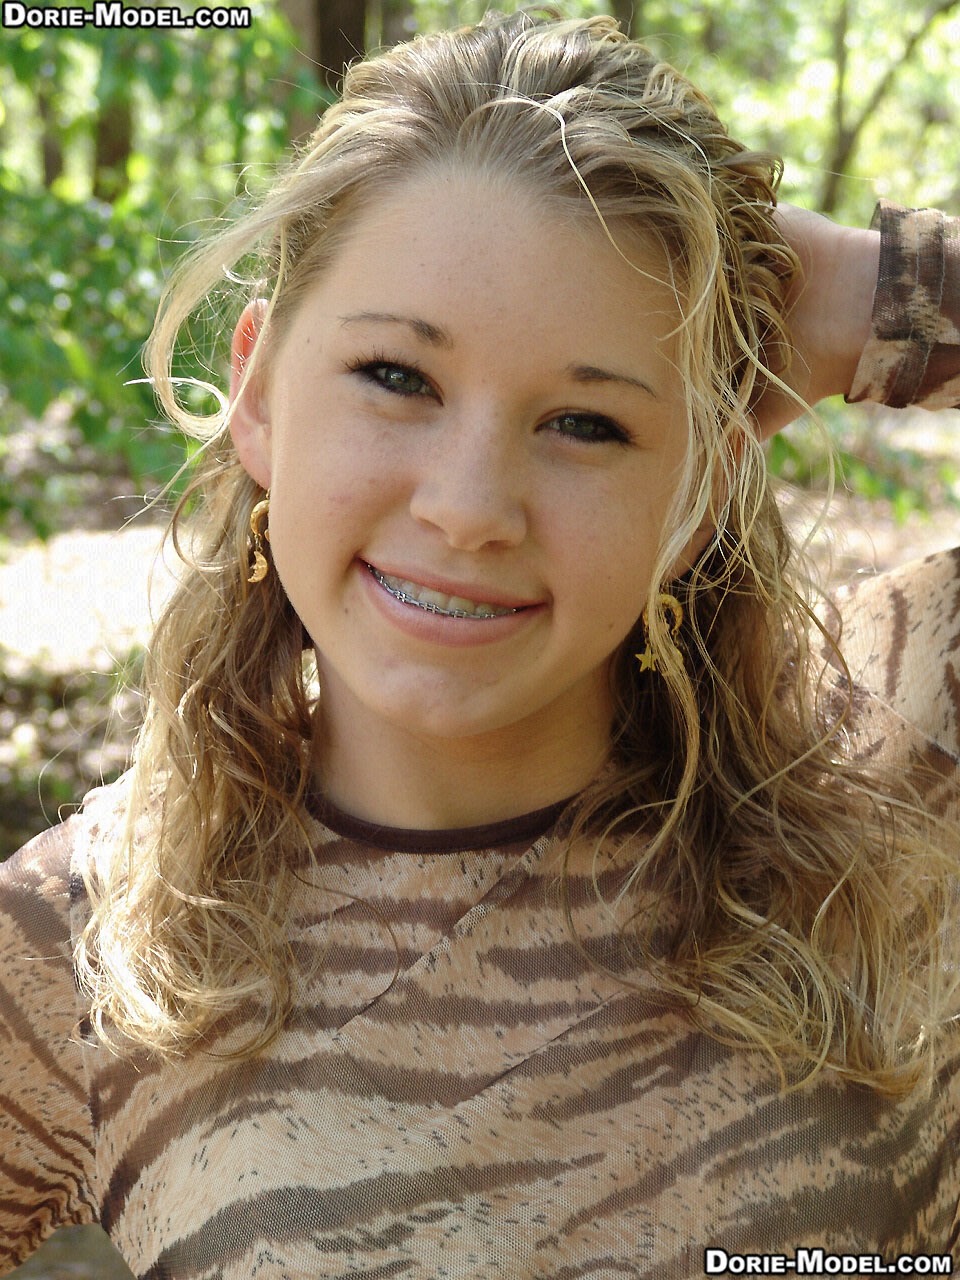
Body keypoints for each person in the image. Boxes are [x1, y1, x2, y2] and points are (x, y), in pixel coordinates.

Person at [1, 11, 959, 1277]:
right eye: (397, 377)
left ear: (706, 487)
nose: (468, 508)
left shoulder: (900, 757)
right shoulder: (88, 941)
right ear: (260, 390)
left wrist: (874, 290)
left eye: (587, 423)